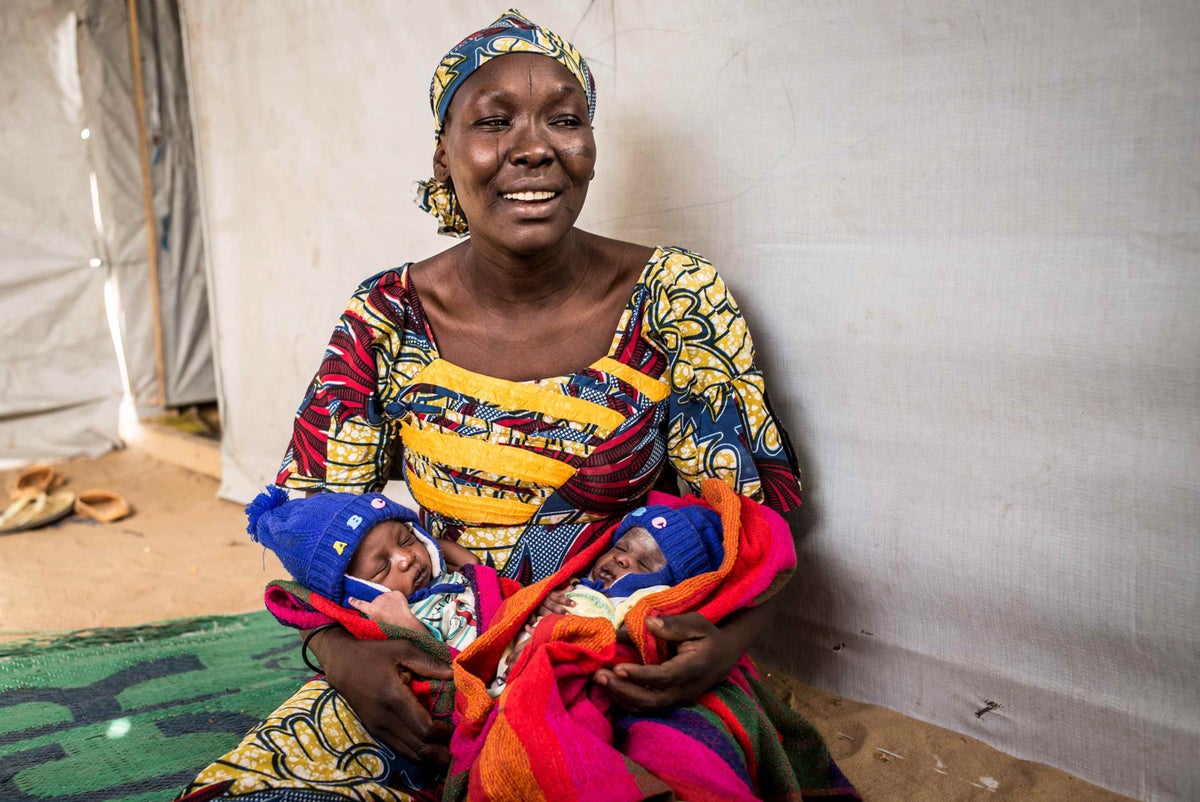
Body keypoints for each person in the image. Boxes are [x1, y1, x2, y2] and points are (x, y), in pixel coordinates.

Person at [182, 9, 855, 801]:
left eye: (564, 120)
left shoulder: (677, 298)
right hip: (437, 655)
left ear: (590, 148)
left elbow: (753, 521)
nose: (534, 147)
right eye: (494, 121)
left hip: (618, 661)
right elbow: (313, 508)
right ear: (443, 153)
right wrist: (342, 654)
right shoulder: (388, 317)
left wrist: (722, 648)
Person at [245, 486, 482, 650]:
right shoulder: (387, 620)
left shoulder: (443, 577)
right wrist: (406, 624)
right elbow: (436, 656)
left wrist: (430, 547)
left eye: (406, 540)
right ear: (358, 591)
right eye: (381, 568)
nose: (405, 559)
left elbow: (474, 566)